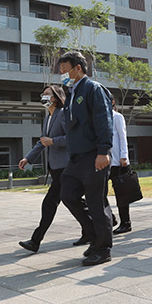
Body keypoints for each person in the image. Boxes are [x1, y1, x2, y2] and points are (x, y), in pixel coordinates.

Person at [57, 51, 114, 266]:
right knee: (68, 194)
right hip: (76, 158)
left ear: (78, 68)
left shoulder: (93, 89)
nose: (63, 76)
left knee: (96, 203)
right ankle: (93, 235)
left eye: (65, 71)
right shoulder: (71, 93)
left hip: (94, 156)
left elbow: (103, 121)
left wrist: (103, 151)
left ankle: (103, 248)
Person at [18, 85, 74, 253]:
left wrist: (53, 141)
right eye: (42, 95)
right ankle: (92, 229)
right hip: (55, 168)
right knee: (73, 201)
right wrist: (28, 158)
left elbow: (72, 138)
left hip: (65, 166)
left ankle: (35, 241)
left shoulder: (64, 114)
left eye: (47, 94)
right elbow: (42, 141)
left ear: (56, 97)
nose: (44, 97)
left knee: (51, 203)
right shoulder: (47, 117)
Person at [107, 96, 132, 234]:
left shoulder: (117, 117)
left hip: (117, 162)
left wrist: (124, 157)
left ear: (112, 102)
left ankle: (126, 223)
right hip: (105, 162)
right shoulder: (100, 118)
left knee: (121, 194)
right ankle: (111, 217)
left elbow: (122, 137)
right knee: (99, 192)